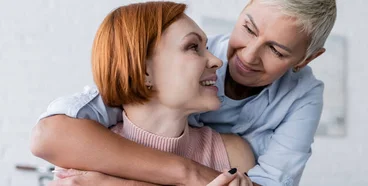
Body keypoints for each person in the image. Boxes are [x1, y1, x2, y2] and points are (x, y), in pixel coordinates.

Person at [31, 0, 337, 185]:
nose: (245, 56)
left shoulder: (300, 100)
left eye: (276, 50)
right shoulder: (88, 151)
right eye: (248, 29)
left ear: (306, 59)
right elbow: (51, 134)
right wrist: (189, 174)